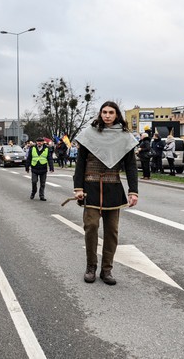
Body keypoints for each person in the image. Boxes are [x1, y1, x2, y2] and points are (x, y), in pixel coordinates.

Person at [73, 101, 138, 286]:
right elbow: (80, 163)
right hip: (91, 187)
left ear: (116, 115)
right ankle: (91, 267)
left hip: (113, 188)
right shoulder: (89, 134)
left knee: (112, 232)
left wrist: (133, 191)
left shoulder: (125, 137)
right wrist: (78, 187)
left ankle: (107, 269)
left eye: (111, 112)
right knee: (91, 226)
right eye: (104, 112)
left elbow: (131, 167)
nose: (107, 115)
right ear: (100, 114)